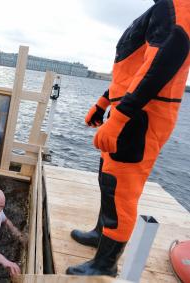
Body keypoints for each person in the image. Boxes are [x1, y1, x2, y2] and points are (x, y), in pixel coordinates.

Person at [67, 0, 190, 277]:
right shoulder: (163, 9)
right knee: (107, 177)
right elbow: (134, 71)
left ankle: (105, 264)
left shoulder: (179, 8)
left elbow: (161, 65)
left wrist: (121, 117)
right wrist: (103, 103)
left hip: (141, 118)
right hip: (130, 112)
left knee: (120, 190)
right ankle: (101, 234)